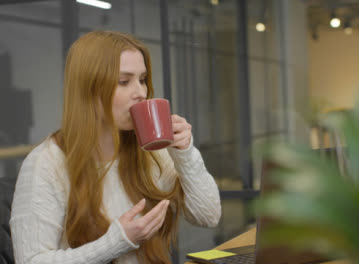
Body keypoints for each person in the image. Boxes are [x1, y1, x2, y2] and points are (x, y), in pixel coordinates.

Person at [9, 31, 221, 264]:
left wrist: (185, 153)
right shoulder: (46, 162)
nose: (140, 93)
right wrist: (116, 242)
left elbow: (208, 216)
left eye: (142, 80)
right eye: (123, 81)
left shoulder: (152, 150)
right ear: (88, 90)